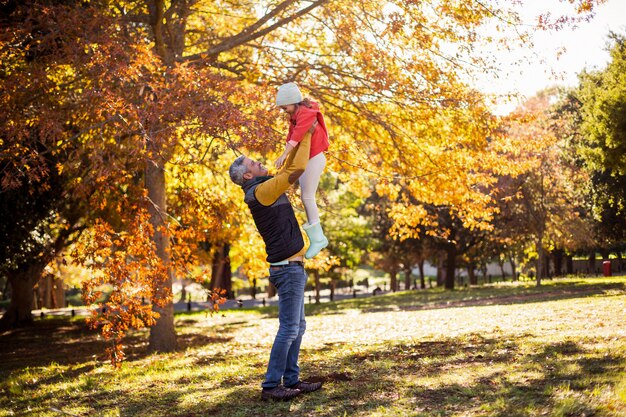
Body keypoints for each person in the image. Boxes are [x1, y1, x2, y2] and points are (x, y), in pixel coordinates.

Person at [228, 125, 323, 402]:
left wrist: (296, 140)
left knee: (298, 326)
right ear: (247, 175)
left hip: (292, 267)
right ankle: (271, 386)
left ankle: (292, 380)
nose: (258, 162)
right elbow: (294, 173)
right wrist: (305, 135)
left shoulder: (263, 186)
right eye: (253, 163)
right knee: (289, 328)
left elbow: (288, 168)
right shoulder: (261, 192)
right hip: (287, 269)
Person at [274, 82, 330, 259]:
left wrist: (284, 154)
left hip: (315, 158)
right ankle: (317, 238)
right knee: (304, 195)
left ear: (293, 101)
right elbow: (291, 135)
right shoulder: (296, 114)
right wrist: (286, 156)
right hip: (310, 158)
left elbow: (297, 135)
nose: (284, 110)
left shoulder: (305, 113)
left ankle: (318, 239)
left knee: (307, 196)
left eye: (285, 106)